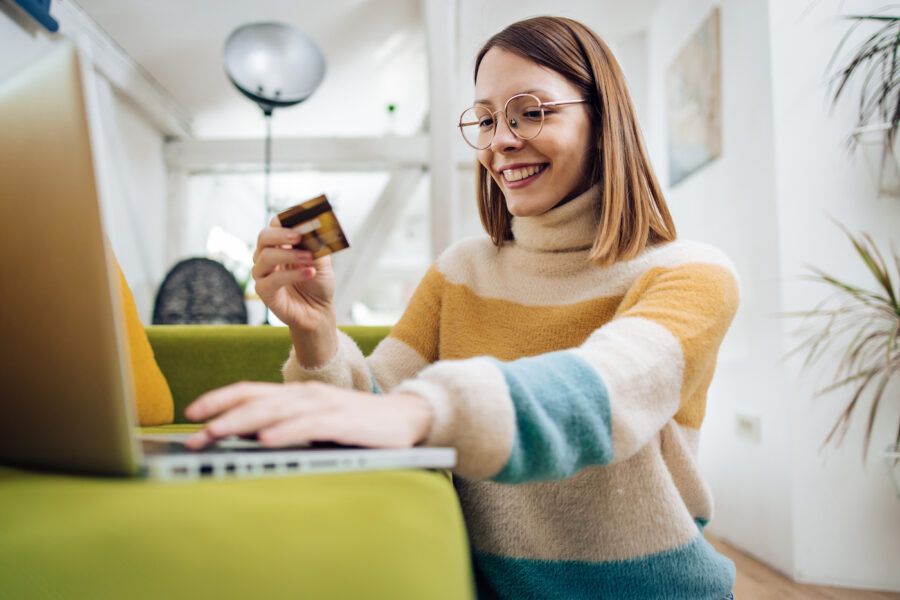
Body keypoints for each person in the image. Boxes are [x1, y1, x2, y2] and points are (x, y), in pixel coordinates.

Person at [184, 15, 739, 600]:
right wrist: (316, 331)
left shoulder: (692, 273)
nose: (500, 140)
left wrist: (424, 411)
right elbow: (379, 403)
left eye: (531, 111)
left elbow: (602, 395)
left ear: (603, 122)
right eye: (488, 118)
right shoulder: (460, 271)